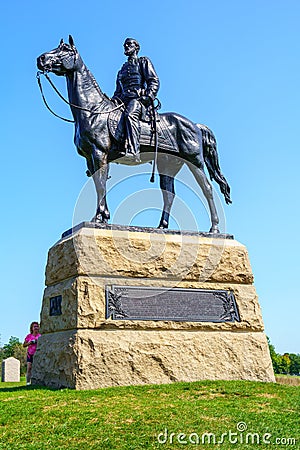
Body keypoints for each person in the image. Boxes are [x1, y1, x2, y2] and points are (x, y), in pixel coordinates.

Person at [112, 38, 160, 161]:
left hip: (138, 100)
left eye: (129, 44)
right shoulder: (121, 70)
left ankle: (134, 151)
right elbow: (118, 91)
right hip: (122, 101)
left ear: (136, 47)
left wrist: (148, 96)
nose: (126, 46)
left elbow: (153, 81)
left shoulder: (143, 61)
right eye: (125, 45)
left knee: (130, 115)